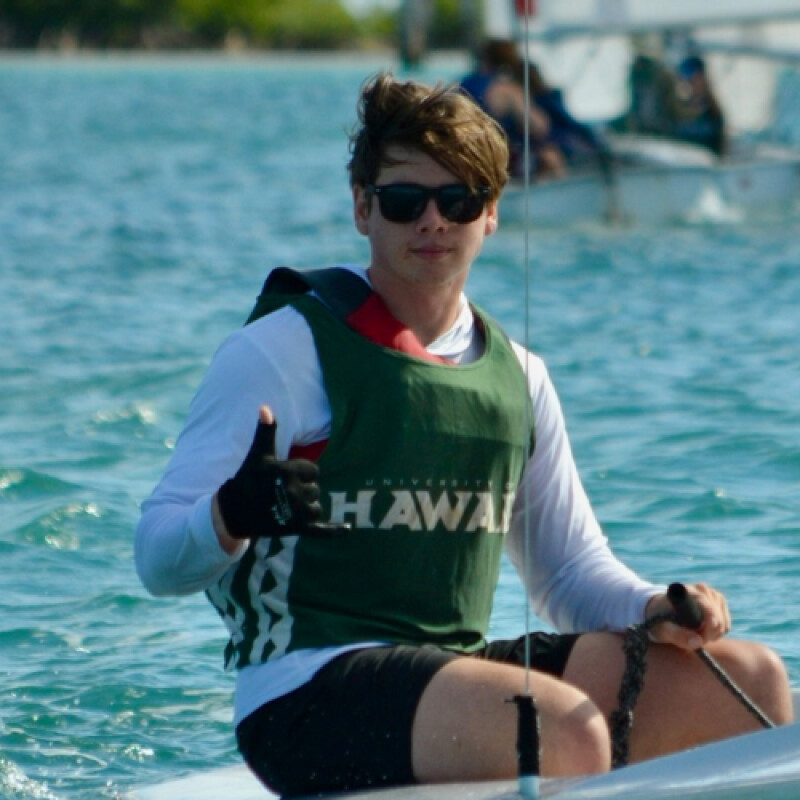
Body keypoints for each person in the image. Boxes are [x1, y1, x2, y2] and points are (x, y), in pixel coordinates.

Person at [135, 72, 793, 798]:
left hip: (452, 676)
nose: (433, 223)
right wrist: (228, 515)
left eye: (459, 201)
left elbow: (569, 573)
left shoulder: (521, 377)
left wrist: (653, 608)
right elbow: (157, 558)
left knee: (746, 682)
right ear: (362, 207)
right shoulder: (281, 353)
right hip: (305, 693)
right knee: (564, 729)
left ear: (492, 214)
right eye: (404, 201)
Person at [461, 39, 565, 179]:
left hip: (469, 157)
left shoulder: (464, 85)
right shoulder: (506, 89)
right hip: (499, 160)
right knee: (549, 153)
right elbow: (539, 126)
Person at [674, 55, 726, 156]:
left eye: (693, 79)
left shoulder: (711, 111)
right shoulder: (683, 106)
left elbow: (718, 143)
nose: (690, 84)